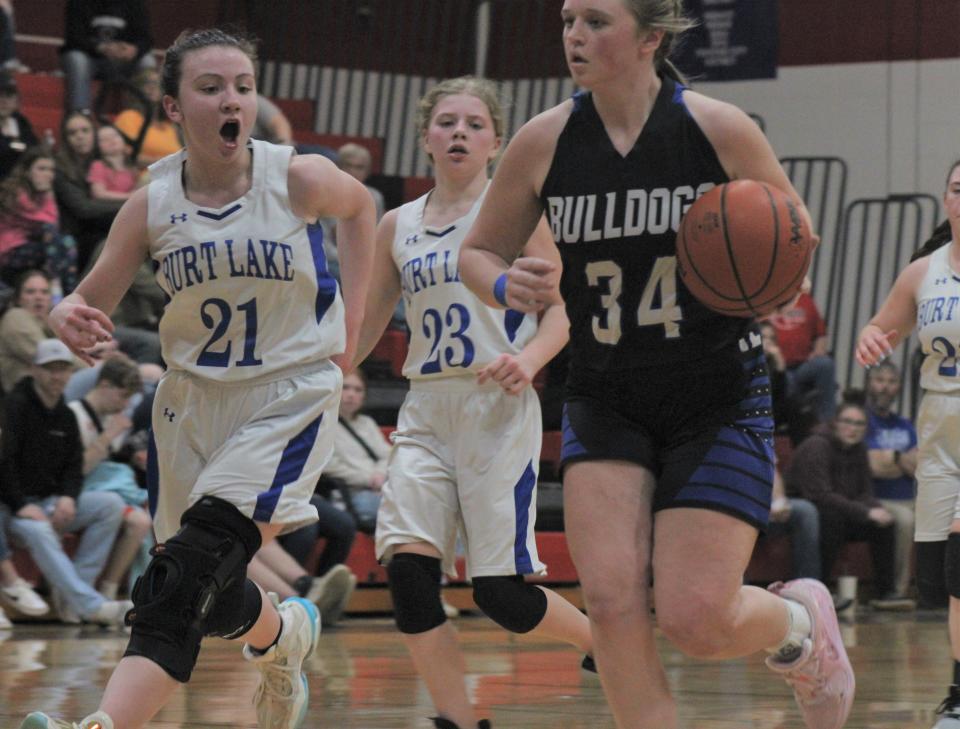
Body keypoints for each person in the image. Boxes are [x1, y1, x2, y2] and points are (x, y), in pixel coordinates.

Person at [457, 3, 853, 729]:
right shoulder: (542, 141)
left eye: (597, 21)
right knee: (608, 602)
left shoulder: (719, 128)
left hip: (715, 394)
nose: (574, 34)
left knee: (697, 618)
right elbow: (477, 251)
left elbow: (797, 237)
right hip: (606, 393)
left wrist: (772, 277)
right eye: (569, 18)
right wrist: (505, 283)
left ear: (650, 39)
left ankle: (800, 625)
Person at [19, 27, 375, 729]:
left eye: (242, 85)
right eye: (210, 88)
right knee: (189, 585)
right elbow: (86, 299)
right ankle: (282, 634)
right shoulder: (151, 205)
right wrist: (67, 313)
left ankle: (102, 724)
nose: (230, 99)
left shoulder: (295, 177)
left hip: (285, 392)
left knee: (179, 577)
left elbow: (362, 209)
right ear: (175, 106)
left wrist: (353, 327)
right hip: (189, 407)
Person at [354, 75, 593, 729]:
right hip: (426, 408)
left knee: (502, 596)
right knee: (408, 577)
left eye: (474, 123)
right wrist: (331, 369)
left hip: (495, 404)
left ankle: (601, 642)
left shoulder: (515, 214)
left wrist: (530, 359)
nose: (459, 132)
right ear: (426, 136)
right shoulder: (396, 224)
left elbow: (562, 316)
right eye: (447, 122)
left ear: (495, 141)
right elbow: (368, 320)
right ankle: (458, 720)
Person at [855, 158, 960, 728]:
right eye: (957, 189)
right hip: (939, 428)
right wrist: (872, 341)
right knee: (939, 582)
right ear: (946, 199)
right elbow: (881, 327)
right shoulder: (923, 272)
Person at [0, 338, 130, 626]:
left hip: (50, 501)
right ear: (34, 370)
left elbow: (73, 466)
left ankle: (72, 598)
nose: (57, 376)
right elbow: (4, 463)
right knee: (38, 530)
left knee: (110, 505)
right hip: (14, 508)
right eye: (50, 369)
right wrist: (21, 505)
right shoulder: (14, 408)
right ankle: (90, 605)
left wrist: (68, 497)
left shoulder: (66, 414)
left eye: (63, 369)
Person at [784, 395, 898, 599]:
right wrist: (866, 512)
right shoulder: (816, 445)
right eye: (847, 422)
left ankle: (886, 593)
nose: (852, 428)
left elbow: (864, 492)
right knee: (831, 518)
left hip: (842, 509)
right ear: (835, 423)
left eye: (859, 424)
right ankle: (821, 592)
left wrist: (877, 509)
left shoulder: (860, 449)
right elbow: (820, 495)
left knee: (884, 523)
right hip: (810, 509)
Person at [68, 356, 152, 600]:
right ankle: (106, 590)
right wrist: (108, 436)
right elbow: (77, 469)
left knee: (148, 516)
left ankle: (114, 590)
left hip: (106, 488)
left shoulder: (111, 418)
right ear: (104, 385)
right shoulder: (75, 415)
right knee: (138, 522)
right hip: (79, 490)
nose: (124, 404)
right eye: (122, 396)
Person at [865, 360, 918, 605]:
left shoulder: (905, 425)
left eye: (891, 382)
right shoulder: (862, 421)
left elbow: (919, 467)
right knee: (906, 520)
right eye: (880, 380)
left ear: (898, 388)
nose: (885, 387)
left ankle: (939, 590)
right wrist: (902, 458)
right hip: (879, 499)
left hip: (912, 498)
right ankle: (898, 590)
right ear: (870, 383)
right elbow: (873, 466)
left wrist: (892, 458)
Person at [0, 147, 78, 293]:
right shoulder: (15, 191)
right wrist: (48, 193)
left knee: (67, 241)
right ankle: (59, 288)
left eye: (51, 170)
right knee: (55, 236)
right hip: (9, 251)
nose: (47, 174)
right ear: (27, 171)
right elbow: (46, 221)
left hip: (34, 246)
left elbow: (54, 224)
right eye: (41, 169)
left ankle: (64, 291)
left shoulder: (40, 192)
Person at [53, 110, 122, 271]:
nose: (80, 136)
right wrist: (131, 203)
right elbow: (84, 209)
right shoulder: (59, 169)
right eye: (72, 133)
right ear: (65, 139)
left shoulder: (102, 163)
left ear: (94, 134)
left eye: (85, 130)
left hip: (105, 229)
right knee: (118, 248)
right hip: (78, 238)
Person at [60, 0, 156, 113]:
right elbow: (73, 38)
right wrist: (100, 47)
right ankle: (81, 113)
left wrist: (134, 49)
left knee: (147, 61)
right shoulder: (78, 3)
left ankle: (145, 115)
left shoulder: (134, 4)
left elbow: (146, 39)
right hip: (91, 58)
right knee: (77, 59)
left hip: (123, 60)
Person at [323, 370, 389, 531]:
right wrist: (369, 479)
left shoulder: (367, 422)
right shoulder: (323, 424)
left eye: (358, 390)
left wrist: (379, 475)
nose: (351, 394)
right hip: (350, 496)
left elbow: (389, 455)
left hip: (381, 489)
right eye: (345, 388)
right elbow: (329, 466)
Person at [769, 291, 838, 423]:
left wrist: (818, 350)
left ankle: (828, 423)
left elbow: (821, 333)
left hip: (803, 367)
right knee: (784, 383)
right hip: (775, 369)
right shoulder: (764, 301)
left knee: (825, 364)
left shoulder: (805, 300)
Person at [0, 270, 57, 394]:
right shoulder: (15, 316)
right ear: (18, 299)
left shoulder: (46, 325)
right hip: (26, 401)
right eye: (30, 292)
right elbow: (52, 358)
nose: (38, 297)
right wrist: (97, 365)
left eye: (44, 292)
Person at [113, 68, 182, 167]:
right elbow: (127, 156)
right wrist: (165, 163)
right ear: (137, 89)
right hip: (145, 176)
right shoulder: (129, 116)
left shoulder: (169, 125)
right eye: (147, 83)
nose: (152, 87)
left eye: (157, 83)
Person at [0, 71, 38, 180]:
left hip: (19, 183)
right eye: (0, 95)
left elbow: (34, 148)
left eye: (9, 96)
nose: (4, 101)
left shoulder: (21, 122)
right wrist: (16, 146)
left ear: (16, 100)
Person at [87, 125, 139, 202]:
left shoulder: (130, 166)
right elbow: (99, 194)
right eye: (104, 139)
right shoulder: (98, 165)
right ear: (97, 147)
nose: (111, 140)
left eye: (115, 135)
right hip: (109, 209)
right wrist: (129, 196)